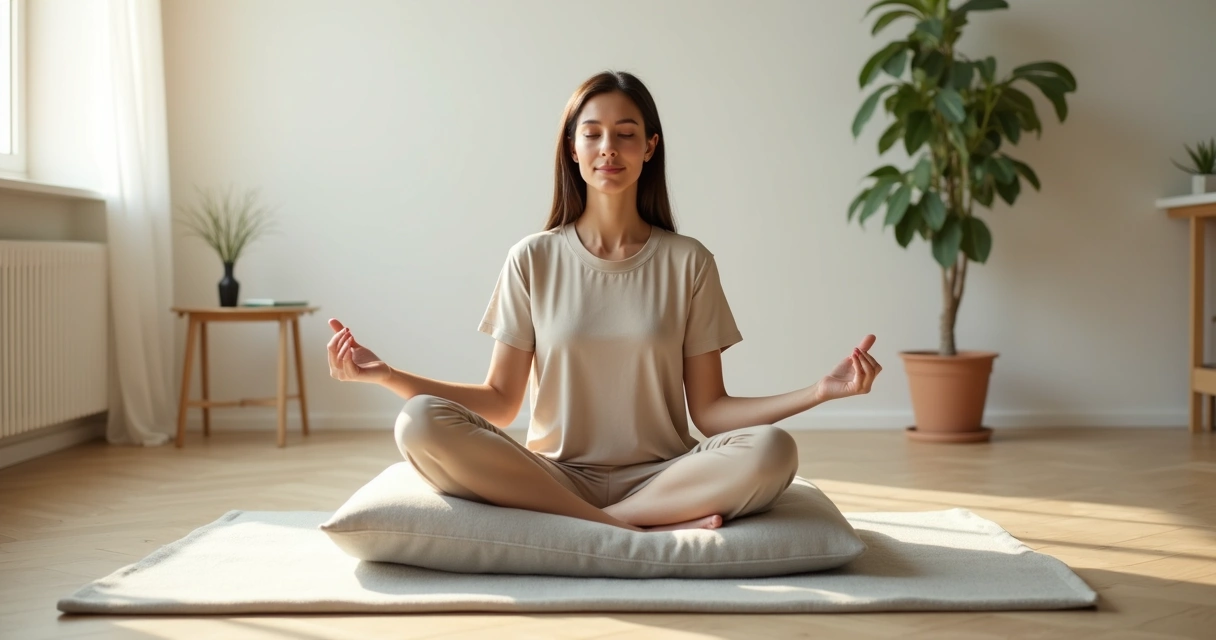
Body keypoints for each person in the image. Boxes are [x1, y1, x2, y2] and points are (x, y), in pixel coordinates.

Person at [326, 70, 882, 533]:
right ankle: (626, 528)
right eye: (591, 134)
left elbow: (710, 412)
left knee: (774, 452)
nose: (608, 148)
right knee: (417, 421)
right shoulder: (532, 258)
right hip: (553, 474)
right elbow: (499, 403)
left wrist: (819, 392)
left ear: (649, 147)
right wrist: (387, 375)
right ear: (572, 149)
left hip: (667, 475)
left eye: (625, 133)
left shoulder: (689, 261)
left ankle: (596, 523)